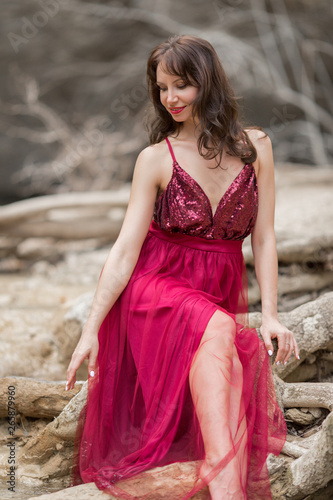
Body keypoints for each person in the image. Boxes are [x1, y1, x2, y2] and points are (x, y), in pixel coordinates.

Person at [66, 34, 299, 500]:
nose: (169, 98)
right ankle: (224, 478)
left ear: (207, 83)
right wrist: (91, 328)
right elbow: (125, 251)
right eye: (161, 88)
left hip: (212, 290)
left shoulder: (256, 148)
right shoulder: (155, 159)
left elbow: (264, 236)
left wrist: (270, 313)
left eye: (181, 86)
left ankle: (223, 481)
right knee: (218, 329)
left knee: (229, 365)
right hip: (155, 288)